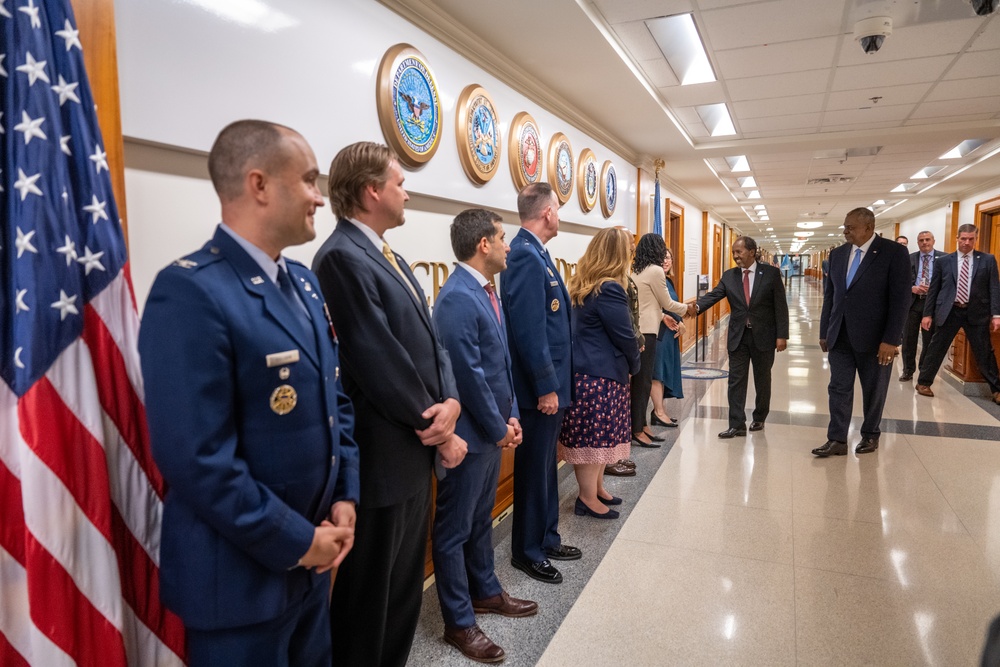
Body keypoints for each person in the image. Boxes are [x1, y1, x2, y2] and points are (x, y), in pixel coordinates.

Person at [138, 120, 359, 666]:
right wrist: (298, 542)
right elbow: (197, 459)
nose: (318, 196)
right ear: (259, 184)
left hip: (313, 563)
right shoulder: (190, 290)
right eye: (309, 180)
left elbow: (337, 404)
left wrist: (344, 497)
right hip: (238, 582)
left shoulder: (303, 283)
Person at [312, 141, 466, 666]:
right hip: (380, 459)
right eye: (400, 182)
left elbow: (430, 342)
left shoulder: (388, 255)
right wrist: (440, 428)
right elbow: (379, 358)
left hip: (411, 450)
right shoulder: (339, 258)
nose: (407, 191)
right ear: (371, 191)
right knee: (368, 605)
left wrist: (451, 400)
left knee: (402, 595)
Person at [431, 209, 537, 663]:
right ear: (483, 245)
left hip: (493, 430)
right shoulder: (457, 296)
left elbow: (501, 367)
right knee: (454, 529)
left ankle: (486, 591)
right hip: (472, 436)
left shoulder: (485, 291)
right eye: (502, 237)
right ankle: (457, 621)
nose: (509, 245)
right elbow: (467, 376)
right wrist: (499, 429)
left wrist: (511, 417)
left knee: (479, 521)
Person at [501, 182, 582, 585]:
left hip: (551, 388)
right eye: (559, 210)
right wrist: (547, 386)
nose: (560, 216)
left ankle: (547, 537)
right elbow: (530, 332)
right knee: (534, 471)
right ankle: (527, 551)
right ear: (547, 212)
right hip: (539, 393)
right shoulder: (523, 256)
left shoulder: (539, 254)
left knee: (546, 468)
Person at [559, 227, 642, 520]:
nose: (633, 253)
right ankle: (586, 498)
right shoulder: (609, 288)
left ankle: (596, 489)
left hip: (588, 374)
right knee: (594, 440)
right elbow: (625, 336)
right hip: (599, 376)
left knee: (598, 439)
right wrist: (635, 364)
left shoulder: (587, 284)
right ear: (617, 254)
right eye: (629, 249)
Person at [813, 209, 910, 457]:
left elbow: (900, 300)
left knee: (873, 389)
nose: (845, 231)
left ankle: (870, 434)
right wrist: (825, 331)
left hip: (876, 339)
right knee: (838, 388)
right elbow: (831, 297)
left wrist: (891, 339)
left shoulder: (893, 253)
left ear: (868, 228)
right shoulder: (837, 254)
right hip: (840, 335)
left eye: (850, 227)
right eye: (844, 227)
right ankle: (837, 439)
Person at [691, 236, 789, 438]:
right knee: (736, 380)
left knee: (762, 379)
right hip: (738, 337)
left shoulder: (770, 274)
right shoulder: (729, 276)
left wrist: (782, 335)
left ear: (752, 252)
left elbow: (781, 306)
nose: (735, 256)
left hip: (764, 336)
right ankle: (737, 424)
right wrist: (697, 307)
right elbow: (715, 294)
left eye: (739, 252)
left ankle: (759, 417)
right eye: (734, 252)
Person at [915, 224, 1000, 403]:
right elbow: (934, 290)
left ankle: (997, 390)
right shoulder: (944, 261)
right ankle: (923, 383)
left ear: (976, 239)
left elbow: (994, 288)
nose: (966, 243)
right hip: (949, 311)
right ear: (957, 238)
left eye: (971, 239)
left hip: (976, 312)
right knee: (936, 348)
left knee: (984, 352)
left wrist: (996, 315)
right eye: (963, 239)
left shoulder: (987, 260)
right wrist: (927, 314)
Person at [631, 233, 688, 447]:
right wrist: (690, 309)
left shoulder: (637, 269)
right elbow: (667, 302)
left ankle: (642, 425)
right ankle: (637, 429)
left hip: (640, 329)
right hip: (648, 332)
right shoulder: (655, 271)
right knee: (643, 383)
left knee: (642, 382)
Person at [899, 231, 945, 381]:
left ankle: (924, 371)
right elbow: (900, 281)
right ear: (917, 243)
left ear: (933, 241)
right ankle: (908, 370)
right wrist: (912, 288)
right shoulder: (909, 258)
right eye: (921, 240)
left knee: (929, 340)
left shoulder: (945, 258)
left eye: (927, 239)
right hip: (913, 302)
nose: (924, 242)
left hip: (932, 304)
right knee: (909, 338)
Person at [650, 247, 685, 426]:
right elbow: (649, 306)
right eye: (662, 257)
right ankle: (658, 412)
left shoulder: (668, 281)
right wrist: (663, 316)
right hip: (659, 335)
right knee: (658, 373)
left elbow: (673, 306)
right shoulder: (654, 280)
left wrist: (681, 323)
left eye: (669, 257)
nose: (666, 260)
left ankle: (660, 410)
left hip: (670, 335)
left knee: (664, 373)